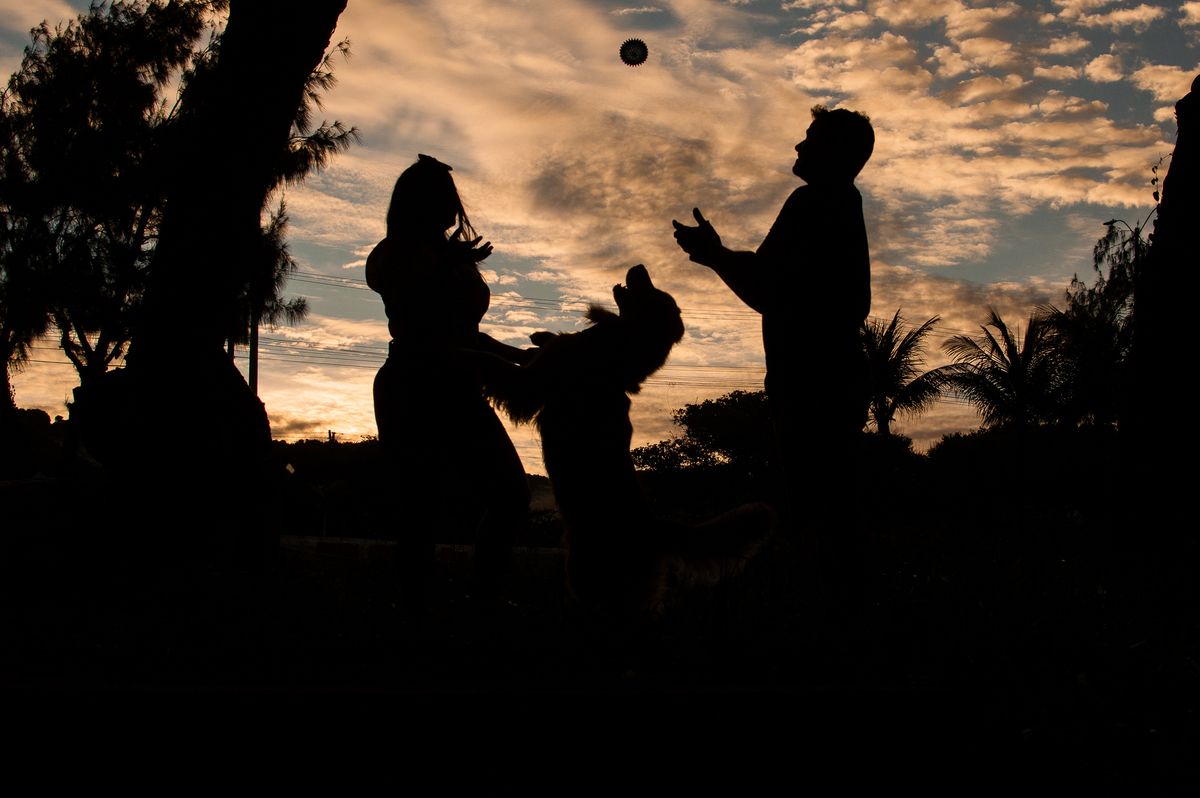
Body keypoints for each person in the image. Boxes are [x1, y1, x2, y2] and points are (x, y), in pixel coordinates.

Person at [672, 105, 875, 617]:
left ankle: (842, 627)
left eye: (810, 139)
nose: (798, 147)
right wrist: (717, 254)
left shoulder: (814, 202)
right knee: (833, 510)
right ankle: (848, 622)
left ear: (837, 152)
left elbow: (768, 286)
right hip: (829, 374)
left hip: (814, 379)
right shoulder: (838, 205)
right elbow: (776, 281)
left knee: (823, 513)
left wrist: (714, 254)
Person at [367, 154, 534, 612]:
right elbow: (405, 311)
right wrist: (447, 265)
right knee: (422, 511)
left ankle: (482, 604)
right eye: (443, 198)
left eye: (453, 197)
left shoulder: (449, 255)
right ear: (419, 203)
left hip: (459, 388)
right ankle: (418, 617)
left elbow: (466, 330)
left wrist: (521, 357)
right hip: (413, 385)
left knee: (510, 497)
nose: (454, 207)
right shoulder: (395, 251)